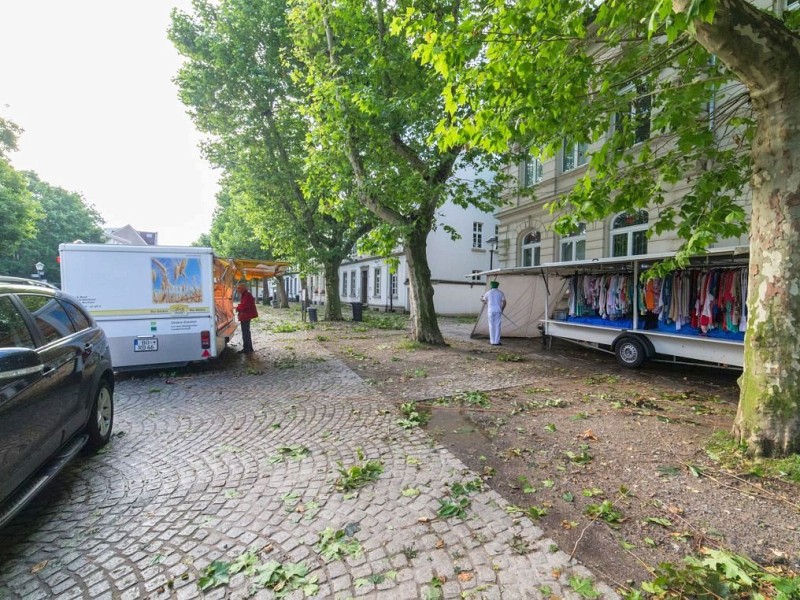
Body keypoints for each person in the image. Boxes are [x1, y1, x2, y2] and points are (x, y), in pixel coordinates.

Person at [481, 280, 506, 345]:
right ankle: (497, 342)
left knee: (491, 326)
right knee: (497, 326)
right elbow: (504, 302)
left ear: (491, 286)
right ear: (497, 286)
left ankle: (492, 341)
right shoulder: (500, 293)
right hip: (498, 311)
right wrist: (502, 310)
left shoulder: (488, 292)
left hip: (490, 311)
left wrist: (481, 299)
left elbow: (484, 301)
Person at [235, 282, 258, 354]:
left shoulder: (246, 295)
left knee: (245, 332)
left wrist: (237, 308)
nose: (237, 289)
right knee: (246, 332)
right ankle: (249, 348)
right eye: (237, 288)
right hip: (246, 315)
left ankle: (247, 348)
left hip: (246, 316)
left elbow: (245, 306)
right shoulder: (245, 294)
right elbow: (244, 305)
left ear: (243, 288)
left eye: (239, 288)